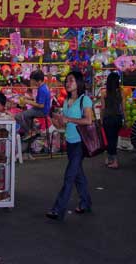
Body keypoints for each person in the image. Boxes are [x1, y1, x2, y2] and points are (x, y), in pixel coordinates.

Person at [46, 71, 93, 221]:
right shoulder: (66, 101)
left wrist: (68, 119)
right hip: (70, 142)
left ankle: (58, 209)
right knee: (78, 176)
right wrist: (56, 120)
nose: (68, 83)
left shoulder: (84, 100)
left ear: (78, 82)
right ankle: (86, 202)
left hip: (80, 143)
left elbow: (88, 121)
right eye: (67, 81)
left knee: (69, 177)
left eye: (71, 80)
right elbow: (63, 124)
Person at [15, 70, 51, 140]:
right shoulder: (43, 86)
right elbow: (38, 99)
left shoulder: (42, 89)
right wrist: (28, 98)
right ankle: (34, 129)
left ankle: (29, 131)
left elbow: (41, 105)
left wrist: (27, 101)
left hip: (42, 111)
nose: (31, 82)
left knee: (19, 116)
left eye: (32, 80)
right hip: (41, 109)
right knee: (26, 115)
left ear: (38, 81)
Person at [101, 72, 125, 169]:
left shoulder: (104, 92)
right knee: (113, 139)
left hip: (108, 118)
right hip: (117, 118)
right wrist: (125, 119)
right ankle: (110, 158)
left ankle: (114, 160)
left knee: (109, 139)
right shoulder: (121, 92)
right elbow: (123, 108)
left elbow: (102, 108)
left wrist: (101, 120)